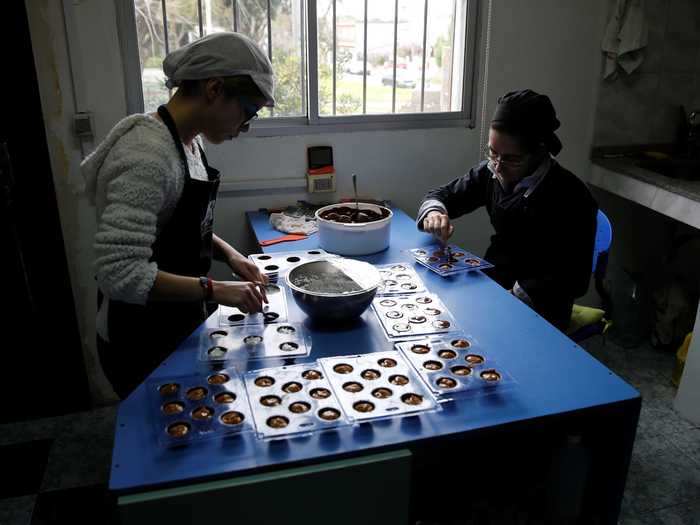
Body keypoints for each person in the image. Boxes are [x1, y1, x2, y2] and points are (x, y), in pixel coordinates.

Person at [81, 33, 274, 398]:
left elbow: (178, 224)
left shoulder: (189, 141)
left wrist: (231, 256)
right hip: (139, 339)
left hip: (176, 323)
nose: (245, 127)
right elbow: (119, 273)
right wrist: (215, 289)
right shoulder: (147, 156)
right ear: (214, 89)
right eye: (247, 112)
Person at [417, 89, 598, 331]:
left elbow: (573, 279)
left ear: (540, 152)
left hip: (542, 307)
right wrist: (434, 214)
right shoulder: (490, 173)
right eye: (493, 153)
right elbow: (442, 196)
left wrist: (514, 297)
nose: (498, 166)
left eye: (512, 159)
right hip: (493, 283)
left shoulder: (571, 196)